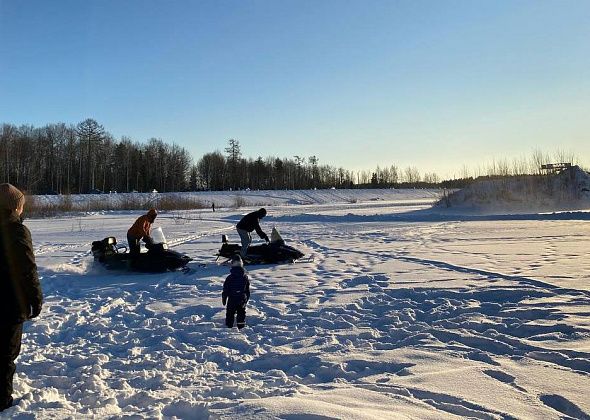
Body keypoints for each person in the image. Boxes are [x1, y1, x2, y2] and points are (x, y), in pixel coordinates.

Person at [0, 183, 43, 412]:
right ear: (15, 208)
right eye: (21, 206)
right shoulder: (16, 231)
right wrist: (36, 299)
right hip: (9, 303)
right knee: (6, 355)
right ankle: (2, 403)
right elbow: (27, 269)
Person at [222, 255, 250, 329]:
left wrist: (224, 298)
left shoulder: (229, 277)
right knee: (241, 312)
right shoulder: (245, 277)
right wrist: (247, 298)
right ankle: (241, 326)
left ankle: (229, 326)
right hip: (242, 298)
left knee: (230, 313)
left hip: (232, 299)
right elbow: (247, 289)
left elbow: (226, 289)